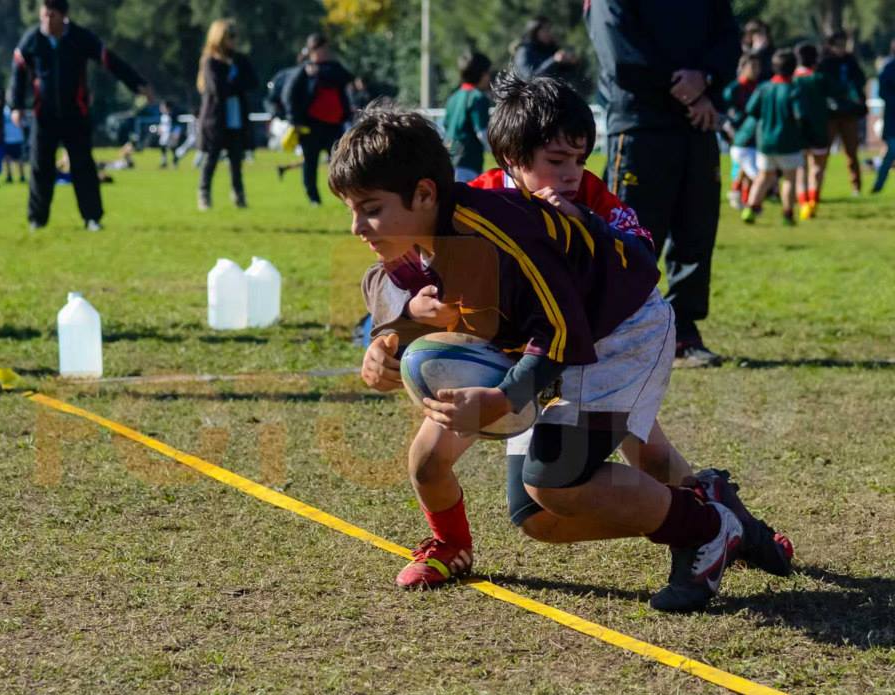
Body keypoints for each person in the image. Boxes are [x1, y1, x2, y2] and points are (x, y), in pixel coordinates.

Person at [334, 106, 792, 613]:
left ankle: (706, 527)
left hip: (617, 334)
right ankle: (452, 546)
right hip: (534, 343)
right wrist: (387, 340)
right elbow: (389, 287)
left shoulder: (495, 232)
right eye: (352, 209)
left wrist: (502, 397)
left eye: (370, 209)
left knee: (561, 478)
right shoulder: (420, 230)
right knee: (535, 513)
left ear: (423, 194)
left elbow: (562, 330)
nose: (357, 226)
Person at [586, 0, 740, 369]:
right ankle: (617, 331)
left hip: (697, 125)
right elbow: (620, 53)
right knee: (631, 236)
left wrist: (705, 79)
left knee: (696, 231)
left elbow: (728, 38)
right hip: (641, 124)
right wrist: (688, 91)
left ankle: (682, 332)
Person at [9, 0, 151, 232]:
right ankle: (37, 219)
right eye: (43, 15)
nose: (46, 20)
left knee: (83, 165)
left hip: (76, 114)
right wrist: (15, 105)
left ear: (63, 16)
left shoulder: (80, 37)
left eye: (51, 15)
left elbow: (110, 61)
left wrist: (138, 84)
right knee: (40, 166)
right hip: (43, 114)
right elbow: (18, 72)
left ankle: (92, 218)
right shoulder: (32, 39)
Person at [283, 33, 353, 206]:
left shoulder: (333, 68)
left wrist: (320, 72)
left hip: (334, 125)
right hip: (311, 125)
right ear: (312, 50)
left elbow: (346, 77)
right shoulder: (303, 70)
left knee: (339, 161)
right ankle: (313, 198)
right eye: (319, 49)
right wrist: (294, 120)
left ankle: (345, 195)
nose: (323, 52)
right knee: (310, 162)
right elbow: (289, 95)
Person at [196, 19, 255, 211]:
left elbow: (253, 81)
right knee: (211, 159)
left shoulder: (239, 59)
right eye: (230, 36)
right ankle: (204, 195)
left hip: (236, 117)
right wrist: (237, 83)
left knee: (236, 160)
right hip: (215, 119)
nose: (234, 40)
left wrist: (234, 83)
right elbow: (217, 89)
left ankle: (239, 195)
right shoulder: (210, 61)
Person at [741, 49, 805, 226]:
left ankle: (750, 209)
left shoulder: (763, 88)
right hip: (788, 142)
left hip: (765, 142)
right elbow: (800, 116)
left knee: (763, 176)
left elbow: (751, 110)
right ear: (793, 68)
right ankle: (787, 214)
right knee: (789, 178)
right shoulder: (793, 90)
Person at [818, 31, 867, 196]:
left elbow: (860, 81)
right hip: (830, 114)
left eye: (843, 44)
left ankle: (856, 187)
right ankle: (817, 187)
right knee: (823, 153)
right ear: (831, 45)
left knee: (851, 152)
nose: (841, 48)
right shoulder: (824, 63)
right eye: (838, 45)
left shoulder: (850, 61)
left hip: (848, 113)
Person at [793, 43, 832, 219]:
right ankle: (813, 202)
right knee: (817, 167)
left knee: (801, 168)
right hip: (818, 129)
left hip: (798, 131)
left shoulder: (791, 79)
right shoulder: (819, 78)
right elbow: (838, 91)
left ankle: (803, 205)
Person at [443, 50, 492, 183]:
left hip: (449, 161)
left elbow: (447, 128)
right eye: (488, 73)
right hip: (468, 163)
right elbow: (481, 132)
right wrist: (498, 154)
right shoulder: (478, 97)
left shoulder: (453, 97)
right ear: (481, 74)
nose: (489, 77)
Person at [722, 55, 761, 210]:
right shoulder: (733, 89)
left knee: (745, 168)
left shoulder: (758, 87)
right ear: (743, 68)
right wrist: (730, 131)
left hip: (754, 134)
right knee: (744, 166)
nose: (756, 71)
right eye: (753, 67)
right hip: (739, 135)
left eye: (758, 67)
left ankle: (739, 195)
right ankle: (740, 196)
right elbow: (728, 113)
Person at [265, 50, 307, 181]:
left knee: (311, 157)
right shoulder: (290, 76)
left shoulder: (286, 74)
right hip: (290, 122)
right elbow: (272, 98)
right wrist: (281, 114)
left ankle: (284, 168)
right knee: (311, 156)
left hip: (299, 121)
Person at [511, 16, 579, 81]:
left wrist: (571, 63)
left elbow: (564, 77)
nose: (549, 33)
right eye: (546, 30)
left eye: (550, 29)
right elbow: (530, 78)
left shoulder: (551, 48)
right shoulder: (524, 52)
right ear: (535, 32)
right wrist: (554, 61)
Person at [871, 39, 895, 193]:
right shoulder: (888, 69)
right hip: (893, 118)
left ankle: (878, 186)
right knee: (891, 151)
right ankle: (878, 186)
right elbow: (882, 93)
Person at [2, 105, 26, 183]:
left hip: (18, 139)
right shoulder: (4, 110)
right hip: (7, 139)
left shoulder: (19, 109)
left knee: (19, 159)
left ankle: (22, 176)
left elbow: (24, 124)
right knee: (7, 158)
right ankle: (9, 176)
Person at [157, 100, 180, 168]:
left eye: (162, 107)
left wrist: (176, 132)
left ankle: (174, 161)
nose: (161, 108)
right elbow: (162, 124)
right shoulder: (163, 115)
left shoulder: (172, 115)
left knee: (172, 148)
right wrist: (159, 129)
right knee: (163, 147)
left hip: (170, 134)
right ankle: (165, 162)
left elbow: (177, 125)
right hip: (164, 135)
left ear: (167, 107)